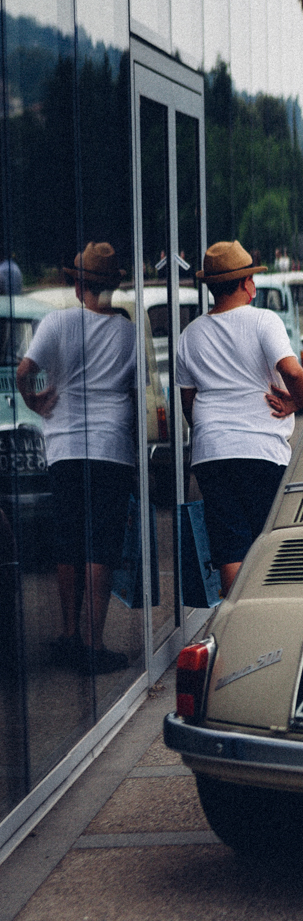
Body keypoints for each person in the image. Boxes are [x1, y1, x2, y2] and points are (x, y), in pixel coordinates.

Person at [16, 242, 135, 673]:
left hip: (65, 446)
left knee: (68, 543)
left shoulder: (58, 322)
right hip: (111, 449)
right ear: (112, 285)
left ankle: (69, 634)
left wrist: (36, 401)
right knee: (100, 546)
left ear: (75, 281)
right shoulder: (128, 332)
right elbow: (139, 392)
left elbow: (24, 372)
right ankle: (93, 643)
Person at [177, 240, 303, 595]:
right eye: (251, 277)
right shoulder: (264, 321)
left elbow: (188, 401)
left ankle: (233, 622)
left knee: (229, 545)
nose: (254, 284)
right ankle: (261, 616)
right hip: (260, 449)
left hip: (212, 452)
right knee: (266, 540)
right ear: (243, 283)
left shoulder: (190, 335)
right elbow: (292, 371)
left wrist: (211, 429)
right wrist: (299, 402)